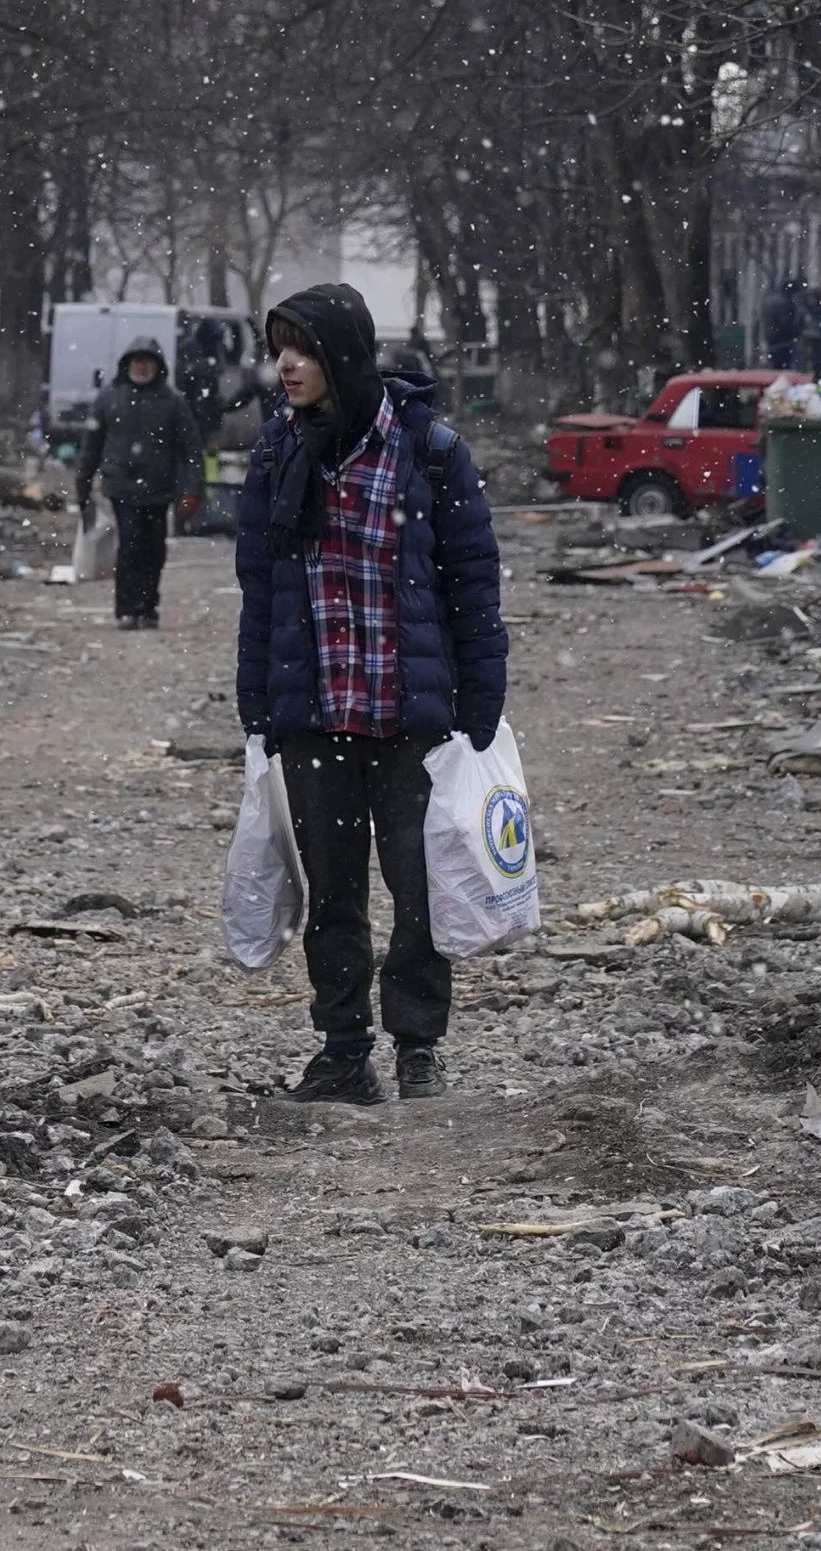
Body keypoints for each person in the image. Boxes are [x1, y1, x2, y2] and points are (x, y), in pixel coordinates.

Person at [234, 284, 508, 1104]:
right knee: (332, 892)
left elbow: (471, 583)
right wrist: (259, 710)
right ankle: (344, 1049)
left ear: (344, 356)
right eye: (279, 347)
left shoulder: (427, 450)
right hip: (315, 712)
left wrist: (480, 705)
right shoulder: (275, 454)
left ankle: (418, 1044)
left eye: (304, 349)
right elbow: (262, 594)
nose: (286, 365)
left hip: (408, 715)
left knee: (419, 889)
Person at [78, 335, 203, 628]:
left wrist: (192, 490)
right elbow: (91, 445)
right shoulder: (110, 398)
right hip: (122, 488)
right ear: (128, 364)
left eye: (148, 362)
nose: (142, 367)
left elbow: (191, 450)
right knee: (131, 543)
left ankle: (147, 606)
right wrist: (82, 484)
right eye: (138, 361)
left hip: (159, 489)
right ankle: (127, 607)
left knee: (154, 548)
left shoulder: (172, 403)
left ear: (158, 366)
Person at [760, 278, 804, 370]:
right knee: (784, 363)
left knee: (775, 362)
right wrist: (797, 332)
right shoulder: (787, 303)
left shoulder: (770, 301)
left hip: (771, 336)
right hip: (783, 338)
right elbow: (786, 323)